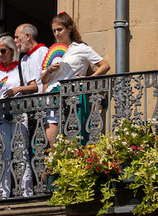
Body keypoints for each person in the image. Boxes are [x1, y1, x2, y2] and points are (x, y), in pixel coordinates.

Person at [41, 13, 111, 146]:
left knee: (74, 137)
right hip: (52, 94)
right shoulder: (52, 52)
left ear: (69, 29)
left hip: (72, 94)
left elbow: (105, 65)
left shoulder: (81, 48)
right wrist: (49, 69)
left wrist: (89, 79)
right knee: (52, 141)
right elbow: (44, 80)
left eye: (60, 29)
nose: (57, 33)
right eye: (54, 31)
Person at [0, 34, 36, 199]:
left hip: (18, 113)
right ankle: (3, 193)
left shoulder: (21, 67)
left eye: (3, 51)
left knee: (21, 152)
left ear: (11, 50)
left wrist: (17, 89)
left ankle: (25, 191)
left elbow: (34, 87)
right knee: (3, 155)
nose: (0, 54)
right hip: (0, 115)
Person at [15, 23, 48, 93]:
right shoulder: (24, 58)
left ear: (27, 36)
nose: (15, 40)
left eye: (17, 37)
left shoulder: (43, 52)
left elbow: (47, 79)